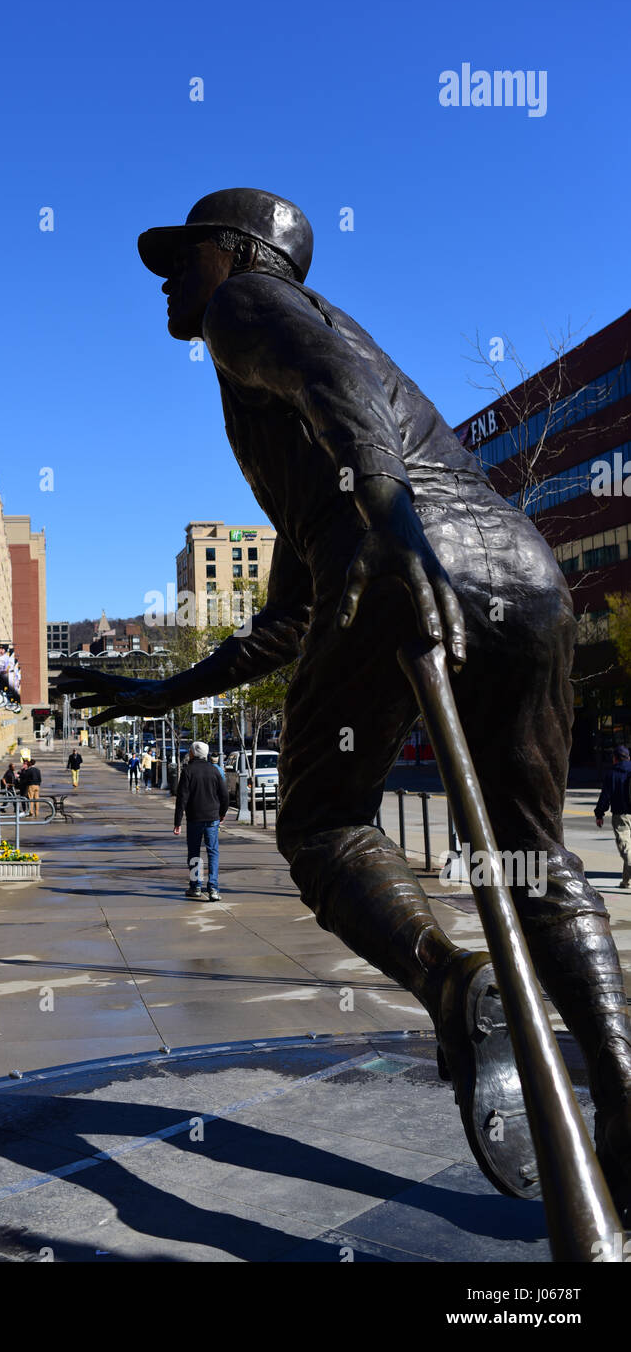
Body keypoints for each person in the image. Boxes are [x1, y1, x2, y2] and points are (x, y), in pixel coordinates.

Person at [48, 190, 631, 1220]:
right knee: (531, 856)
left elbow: (336, 379)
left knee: (320, 823)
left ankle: (453, 985)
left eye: (182, 260)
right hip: (522, 571)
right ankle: (627, 1098)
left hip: (407, 550)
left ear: (235, 256)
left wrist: (395, 530)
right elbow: (281, 623)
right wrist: (162, 691)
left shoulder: (250, 311)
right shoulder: (305, 447)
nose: (170, 284)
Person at [173, 741, 229, 900]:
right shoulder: (215, 771)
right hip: (212, 818)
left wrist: (177, 822)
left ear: (193, 753)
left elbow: (181, 799)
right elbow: (224, 795)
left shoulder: (188, 771)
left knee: (194, 853)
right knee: (213, 853)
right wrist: (222, 814)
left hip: (194, 819)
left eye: (190, 751)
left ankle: (195, 886)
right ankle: (214, 889)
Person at [595, 746, 631, 888]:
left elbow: (605, 797)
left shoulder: (612, 774)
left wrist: (599, 814)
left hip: (621, 816)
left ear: (615, 758)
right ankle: (626, 881)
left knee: (626, 849)